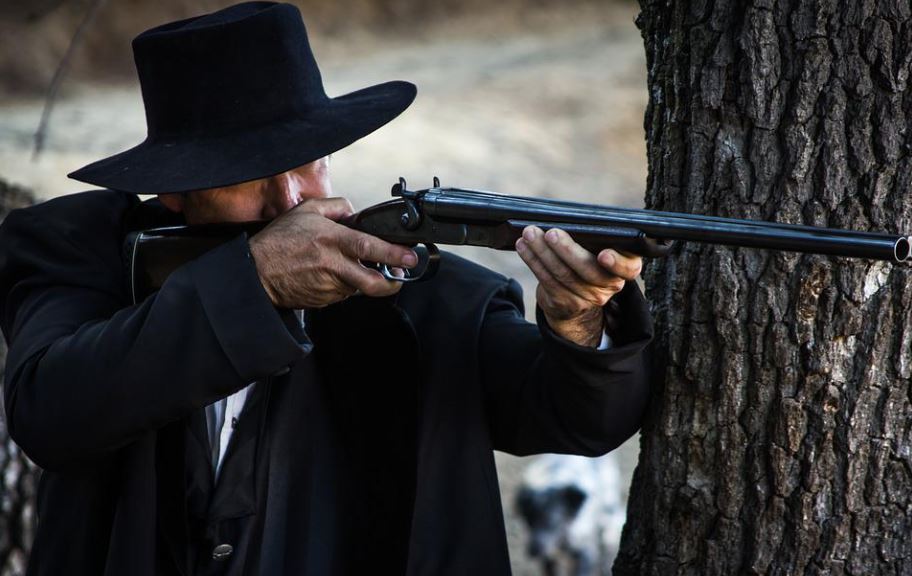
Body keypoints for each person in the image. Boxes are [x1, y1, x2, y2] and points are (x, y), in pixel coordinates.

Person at [0, 2, 653, 575]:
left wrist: (576, 325)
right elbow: (51, 412)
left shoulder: (420, 296)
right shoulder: (80, 255)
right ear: (174, 187)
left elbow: (574, 418)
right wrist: (253, 281)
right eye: (252, 173)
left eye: (307, 162)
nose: (290, 198)